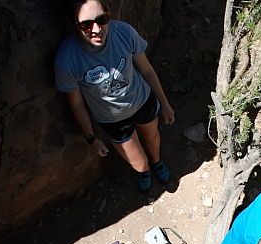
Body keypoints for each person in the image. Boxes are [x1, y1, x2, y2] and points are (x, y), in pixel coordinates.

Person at [54, 0, 176, 193]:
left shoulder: (123, 33)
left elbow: (146, 70)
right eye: (86, 24)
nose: (96, 29)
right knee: (139, 163)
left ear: (108, 15)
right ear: (74, 25)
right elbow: (76, 104)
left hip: (142, 101)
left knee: (152, 138)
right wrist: (91, 138)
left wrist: (165, 104)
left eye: (101, 20)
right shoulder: (68, 59)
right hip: (112, 120)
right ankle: (145, 172)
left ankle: (157, 162)